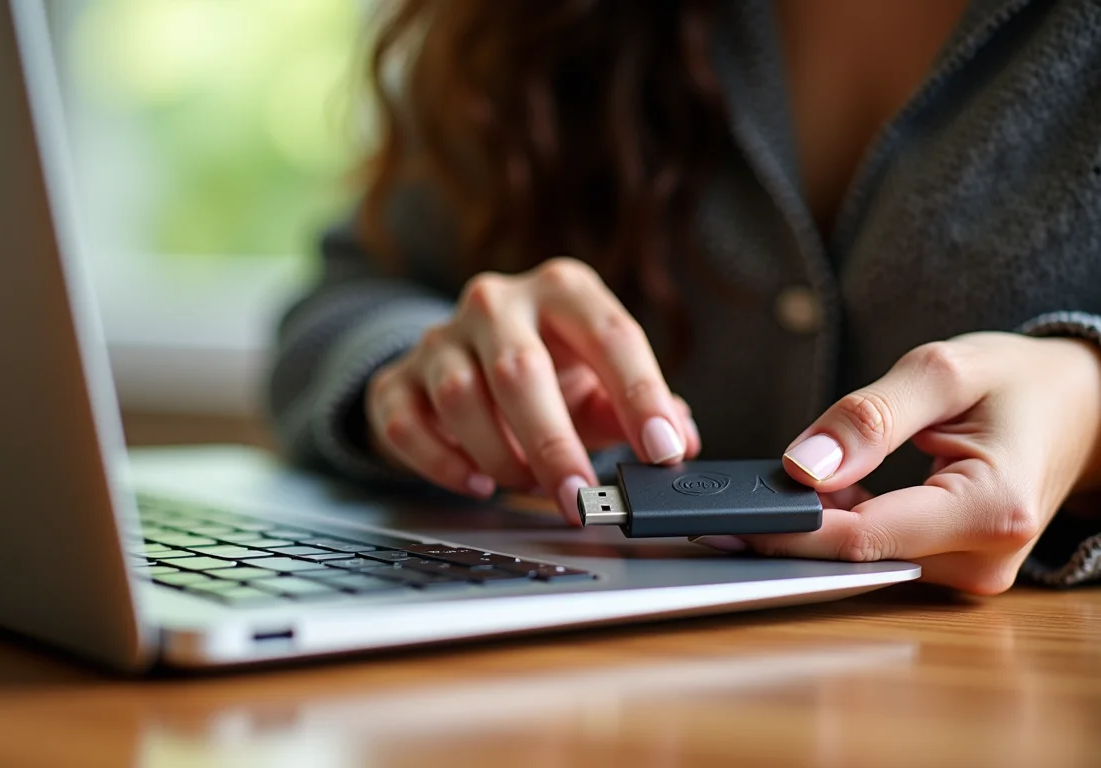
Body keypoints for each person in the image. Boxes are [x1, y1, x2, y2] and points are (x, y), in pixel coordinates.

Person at [267, 0, 1101, 593]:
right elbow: (344, 297)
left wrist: (1090, 411)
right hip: (594, 694)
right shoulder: (529, 26)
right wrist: (421, 371)